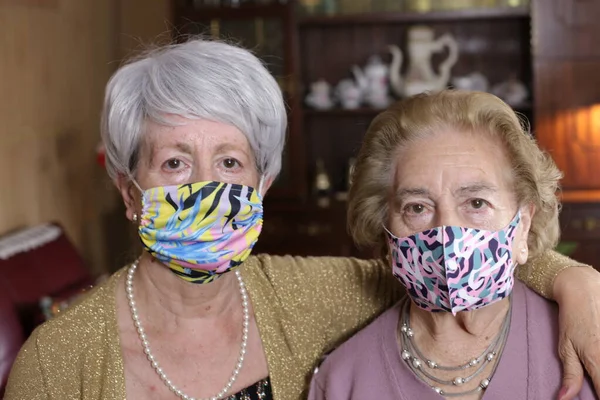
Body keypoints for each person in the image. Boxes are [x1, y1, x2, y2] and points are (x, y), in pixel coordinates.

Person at [4, 39, 600, 400]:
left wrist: (576, 280)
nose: (207, 187)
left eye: (231, 162)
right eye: (175, 162)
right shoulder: (59, 362)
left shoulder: (315, 296)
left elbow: (449, 251)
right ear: (129, 189)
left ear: (261, 184)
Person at [308, 90, 598, 399]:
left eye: (476, 202)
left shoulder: (585, 340)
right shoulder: (343, 380)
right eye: (417, 207)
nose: (447, 232)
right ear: (387, 234)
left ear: (523, 223)